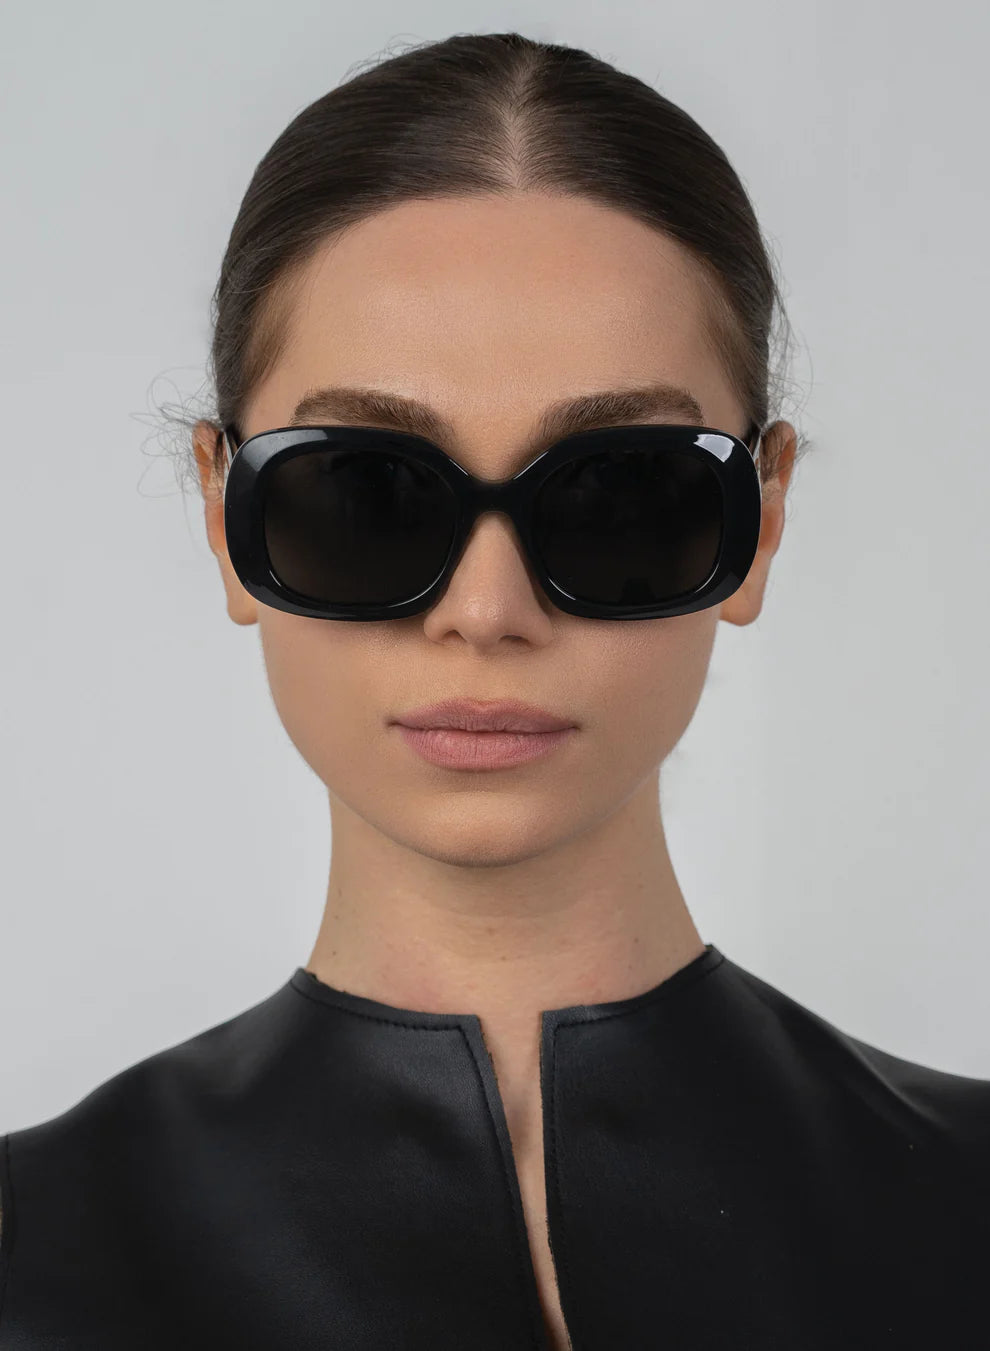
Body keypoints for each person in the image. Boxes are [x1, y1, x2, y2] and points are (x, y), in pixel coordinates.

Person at [1, 30, 987, 1351]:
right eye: (364, 489)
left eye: (623, 491)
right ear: (221, 512)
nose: (484, 611)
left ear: (760, 520)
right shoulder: (31, 1255)